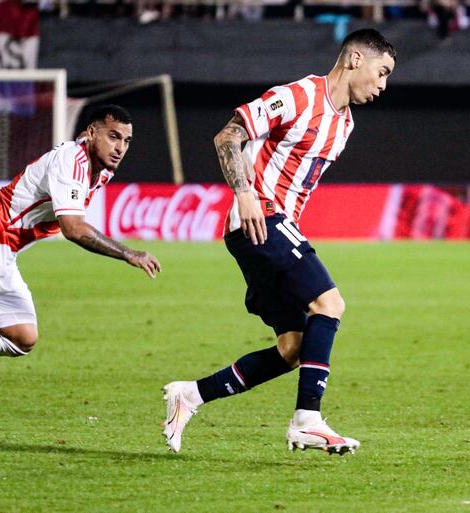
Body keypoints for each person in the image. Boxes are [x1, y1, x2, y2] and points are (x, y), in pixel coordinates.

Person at [162, 29, 396, 455]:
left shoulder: (344, 124)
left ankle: (190, 395)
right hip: (260, 216)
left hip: (272, 226)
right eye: (382, 73)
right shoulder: (299, 96)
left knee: (294, 349)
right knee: (330, 304)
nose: (383, 86)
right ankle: (307, 420)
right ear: (356, 59)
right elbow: (228, 136)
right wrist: (246, 193)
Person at [0, 105, 161, 370]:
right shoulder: (71, 161)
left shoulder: (100, 171)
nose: (120, 147)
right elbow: (73, 228)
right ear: (92, 132)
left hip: (4, 253)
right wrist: (128, 253)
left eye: (126, 141)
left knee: (23, 337)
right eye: (113, 136)